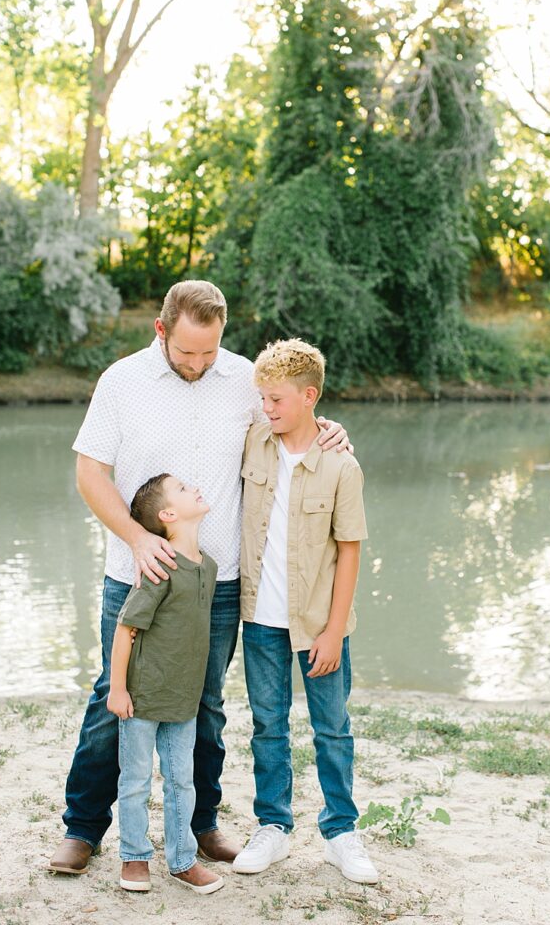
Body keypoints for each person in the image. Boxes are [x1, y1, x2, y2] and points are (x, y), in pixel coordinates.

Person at [49, 280, 348, 876]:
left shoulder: (242, 378)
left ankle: (201, 824)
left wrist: (329, 428)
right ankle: (83, 829)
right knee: (114, 700)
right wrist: (138, 538)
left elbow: (291, 416)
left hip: (220, 583)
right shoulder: (121, 381)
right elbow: (90, 473)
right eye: (187, 352)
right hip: (136, 575)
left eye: (209, 352)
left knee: (205, 706)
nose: (199, 363)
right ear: (161, 330)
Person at [233, 338, 378, 885]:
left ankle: (341, 832)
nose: (266, 409)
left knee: (332, 729)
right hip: (261, 621)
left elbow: (350, 549)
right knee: (268, 726)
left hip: (320, 624)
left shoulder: (341, 466)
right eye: (262, 399)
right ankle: (273, 826)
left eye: (276, 400)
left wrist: (334, 631)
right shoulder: (254, 441)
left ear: (309, 395)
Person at [108, 473, 224, 895]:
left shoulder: (207, 567)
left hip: (184, 697)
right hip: (141, 696)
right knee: (136, 779)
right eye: (181, 488)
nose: (195, 486)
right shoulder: (160, 566)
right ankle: (135, 857)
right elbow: (127, 627)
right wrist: (118, 689)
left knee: (182, 781)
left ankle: (182, 860)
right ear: (168, 514)